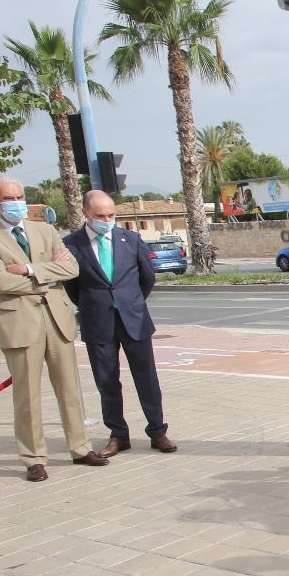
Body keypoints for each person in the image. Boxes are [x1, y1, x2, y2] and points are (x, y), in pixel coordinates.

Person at [0, 175, 108, 481]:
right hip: (18, 322)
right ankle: (34, 457)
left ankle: (80, 448)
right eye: (10, 199)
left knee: (70, 388)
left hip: (56, 319)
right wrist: (49, 277)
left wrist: (30, 270)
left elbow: (72, 268)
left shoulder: (44, 230)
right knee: (27, 394)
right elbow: (1, 282)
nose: (18, 204)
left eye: (20, 197)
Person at [64, 190, 176, 456]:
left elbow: (147, 279)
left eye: (111, 215)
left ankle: (158, 431)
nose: (107, 220)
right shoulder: (71, 244)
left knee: (146, 378)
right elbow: (71, 286)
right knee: (107, 381)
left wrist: (130, 301)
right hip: (98, 322)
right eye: (100, 215)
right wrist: (96, 304)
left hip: (133, 320)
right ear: (85, 213)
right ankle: (118, 435)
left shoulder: (132, 239)